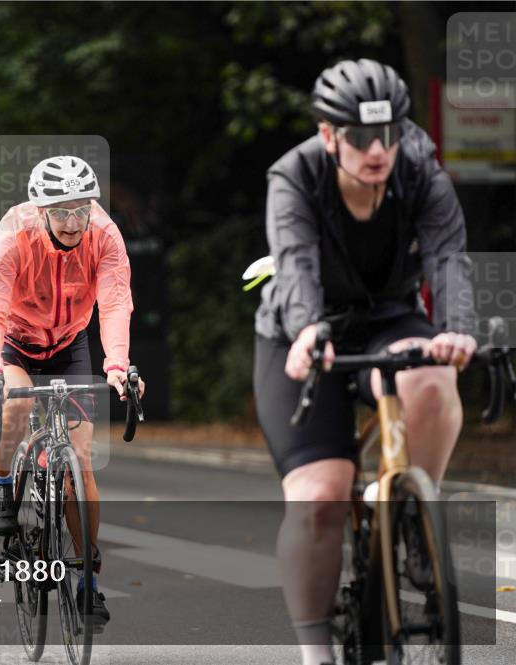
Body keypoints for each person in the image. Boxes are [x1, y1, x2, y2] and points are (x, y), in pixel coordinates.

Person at [252, 59, 476, 665]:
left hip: (390, 316)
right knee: (321, 496)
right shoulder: (295, 176)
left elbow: (447, 254)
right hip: (303, 332)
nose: (377, 150)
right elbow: (295, 260)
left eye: (388, 134)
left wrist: (456, 328)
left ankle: (414, 515)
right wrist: (306, 328)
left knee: (433, 380)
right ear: (329, 135)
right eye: (359, 137)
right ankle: (316, 653)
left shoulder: (419, 167)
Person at [0, 155, 144, 627]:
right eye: (61, 212)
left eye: (81, 210)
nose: (72, 222)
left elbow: (115, 303)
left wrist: (117, 365)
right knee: (17, 406)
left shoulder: (104, 235)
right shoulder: (14, 235)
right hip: (11, 342)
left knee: (79, 464)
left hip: (69, 344)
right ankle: (1, 483)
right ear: (41, 210)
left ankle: (87, 577)